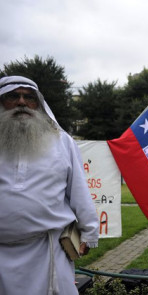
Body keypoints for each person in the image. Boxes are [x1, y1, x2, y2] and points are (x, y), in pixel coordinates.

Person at [0, 76, 99, 295]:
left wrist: (89, 232)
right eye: (13, 96)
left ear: (39, 104)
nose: (22, 103)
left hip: (47, 251)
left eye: (29, 97)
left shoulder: (62, 141)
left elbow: (79, 190)